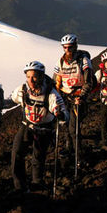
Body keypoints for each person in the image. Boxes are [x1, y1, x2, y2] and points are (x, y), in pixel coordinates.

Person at [10, 61, 69, 193]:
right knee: (16, 154)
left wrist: (60, 115)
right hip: (27, 126)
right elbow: (14, 98)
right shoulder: (22, 90)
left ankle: (37, 183)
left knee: (38, 157)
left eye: (34, 76)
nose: (31, 80)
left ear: (41, 76)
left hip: (44, 129)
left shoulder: (51, 93)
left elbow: (64, 113)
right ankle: (19, 186)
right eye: (28, 76)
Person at [53, 34, 94, 159]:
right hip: (65, 97)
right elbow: (56, 81)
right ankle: (69, 148)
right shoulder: (60, 62)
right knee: (66, 123)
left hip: (79, 97)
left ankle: (78, 152)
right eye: (65, 48)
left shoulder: (84, 61)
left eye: (70, 47)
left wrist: (81, 96)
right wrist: (57, 98)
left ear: (75, 46)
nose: (67, 50)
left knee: (73, 126)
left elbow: (89, 82)